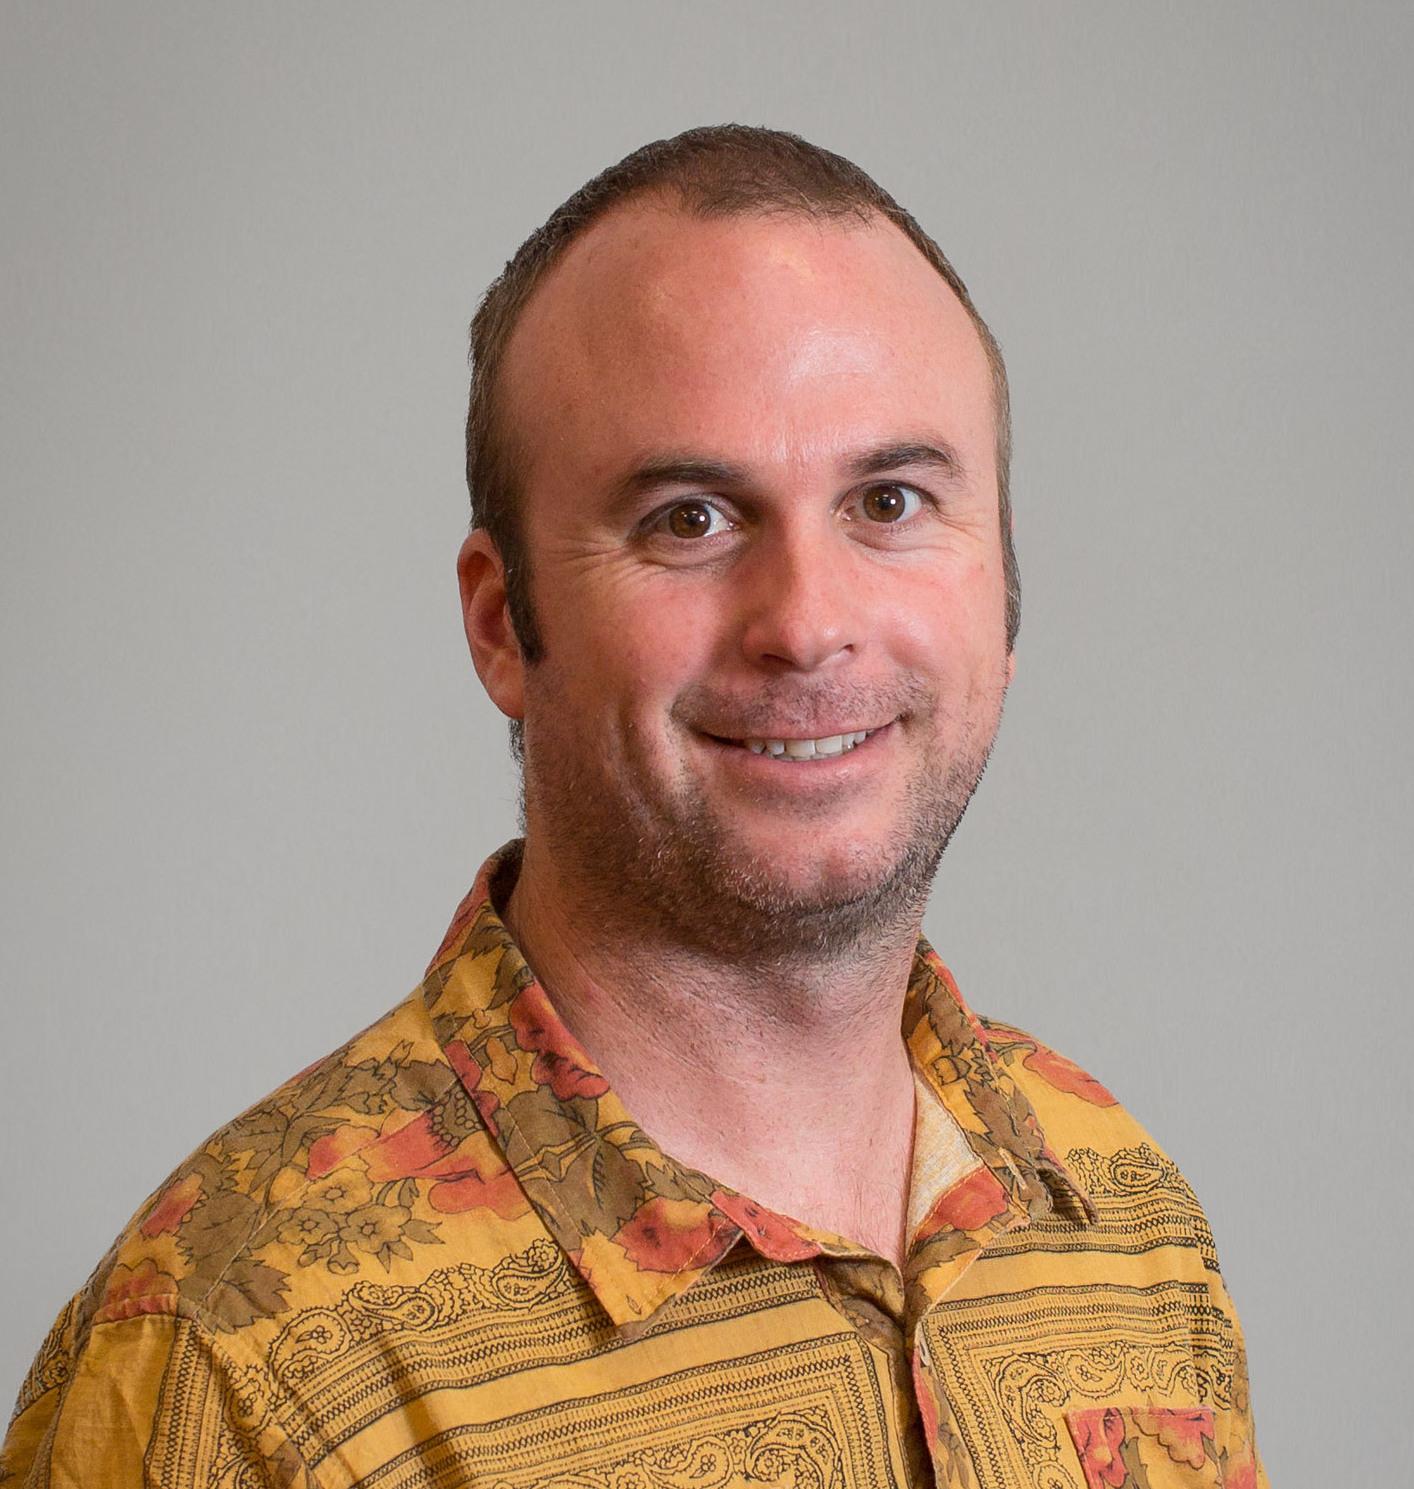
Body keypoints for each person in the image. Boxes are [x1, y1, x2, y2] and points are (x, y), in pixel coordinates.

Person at [2, 125, 1266, 1489]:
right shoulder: (235, 1360)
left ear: (1004, 587)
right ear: (501, 623)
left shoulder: (1123, 1219)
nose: (806, 623)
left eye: (889, 500)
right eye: (689, 520)